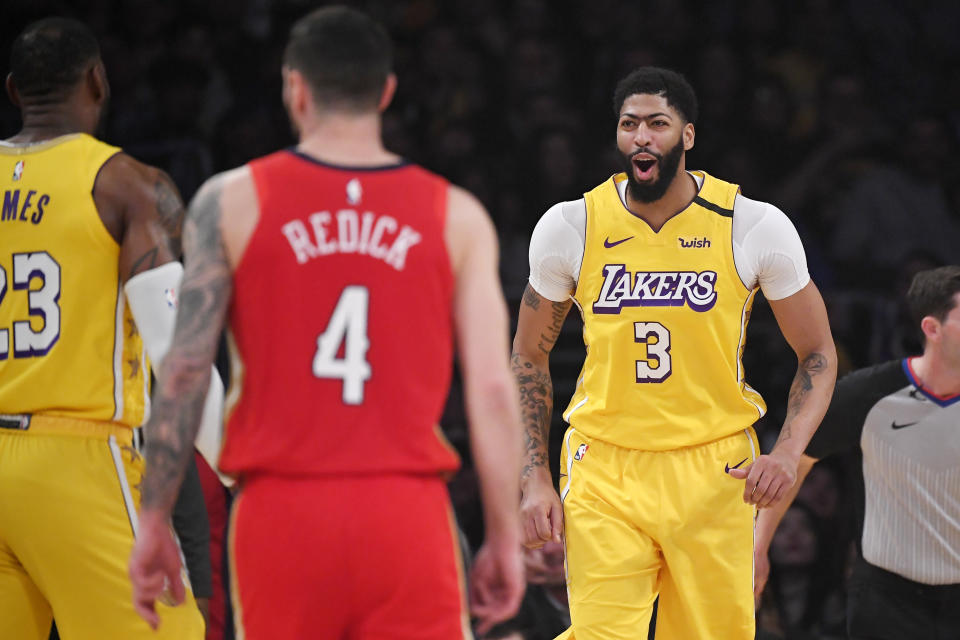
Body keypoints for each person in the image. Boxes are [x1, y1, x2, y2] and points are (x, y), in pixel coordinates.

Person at [128, 6, 525, 639]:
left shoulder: (229, 201)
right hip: (405, 511)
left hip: (280, 513)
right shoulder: (456, 215)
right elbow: (493, 390)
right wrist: (504, 534)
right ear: (386, 92)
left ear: (295, 88)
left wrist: (153, 520)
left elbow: (183, 372)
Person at [511, 66, 837, 639]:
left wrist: (786, 454)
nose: (642, 136)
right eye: (629, 124)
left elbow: (817, 354)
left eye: (658, 124)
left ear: (687, 135)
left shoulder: (752, 225)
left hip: (714, 470)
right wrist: (535, 477)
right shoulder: (571, 226)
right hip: (605, 466)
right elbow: (526, 360)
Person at [0, 17, 206, 639]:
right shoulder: (128, 185)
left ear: (14, 91)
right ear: (98, 80)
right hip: (75, 454)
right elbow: (178, 355)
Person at [755, 265, 960, 639]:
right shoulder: (870, 393)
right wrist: (759, 545)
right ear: (933, 328)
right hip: (887, 601)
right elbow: (793, 461)